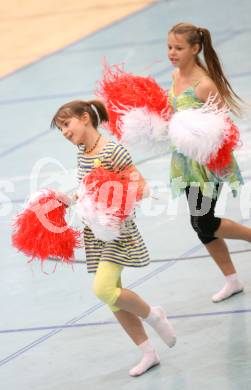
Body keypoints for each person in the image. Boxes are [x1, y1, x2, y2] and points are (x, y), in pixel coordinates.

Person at [50, 99, 176, 377]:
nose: (65, 133)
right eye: (60, 129)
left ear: (85, 118)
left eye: (66, 125)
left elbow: (141, 188)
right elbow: (87, 189)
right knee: (113, 299)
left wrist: (112, 201)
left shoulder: (113, 150)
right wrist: (70, 200)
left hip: (117, 232)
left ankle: (154, 314)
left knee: (103, 289)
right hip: (97, 233)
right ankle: (148, 353)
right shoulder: (83, 152)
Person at [167, 22, 251, 303]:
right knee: (199, 223)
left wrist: (201, 142)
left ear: (195, 48)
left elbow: (223, 128)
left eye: (178, 48)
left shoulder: (205, 85)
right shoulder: (175, 75)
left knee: (205, 222)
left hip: (208, 163)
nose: (172, 52)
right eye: (169, 47)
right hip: (186, 162)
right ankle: (232, 280)